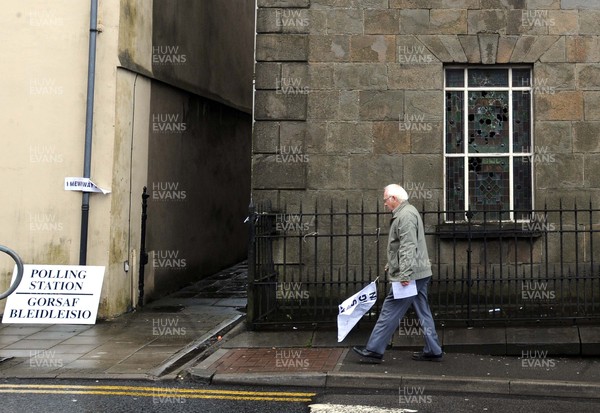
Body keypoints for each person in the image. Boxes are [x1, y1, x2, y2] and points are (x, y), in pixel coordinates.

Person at [353, 184, 443, 363]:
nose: (385, 204)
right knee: (422, 310)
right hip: (418, 272)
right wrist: (393, 264)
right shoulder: (407, 212)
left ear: (394, 198)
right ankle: (434, 349)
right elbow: (401, 246)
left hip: (411, 275)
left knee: (390, 309)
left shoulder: (405, 215)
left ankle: (374, 350)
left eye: (386, 200)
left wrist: (404, 274)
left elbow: (408, 245)